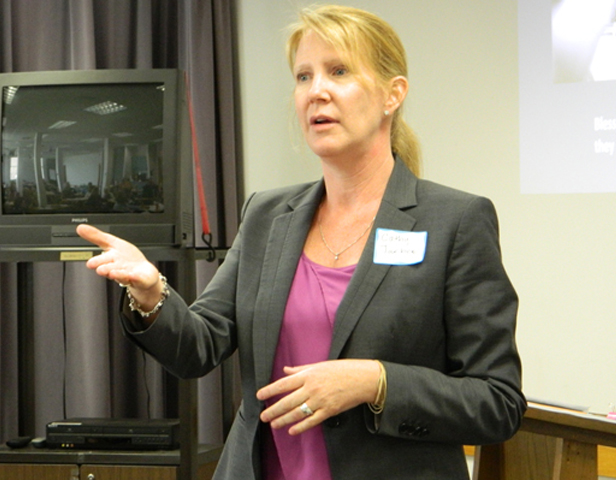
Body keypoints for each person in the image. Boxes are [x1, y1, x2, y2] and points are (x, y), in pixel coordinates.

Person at [77, 5, 525, 479]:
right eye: (303, 76)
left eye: (339, 71)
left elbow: (497, 402)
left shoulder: (456, 221)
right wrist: (150, 294)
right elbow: (199, 346)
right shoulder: (269, 216)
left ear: (393, 94)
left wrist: (375, 381)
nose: (317, 92)